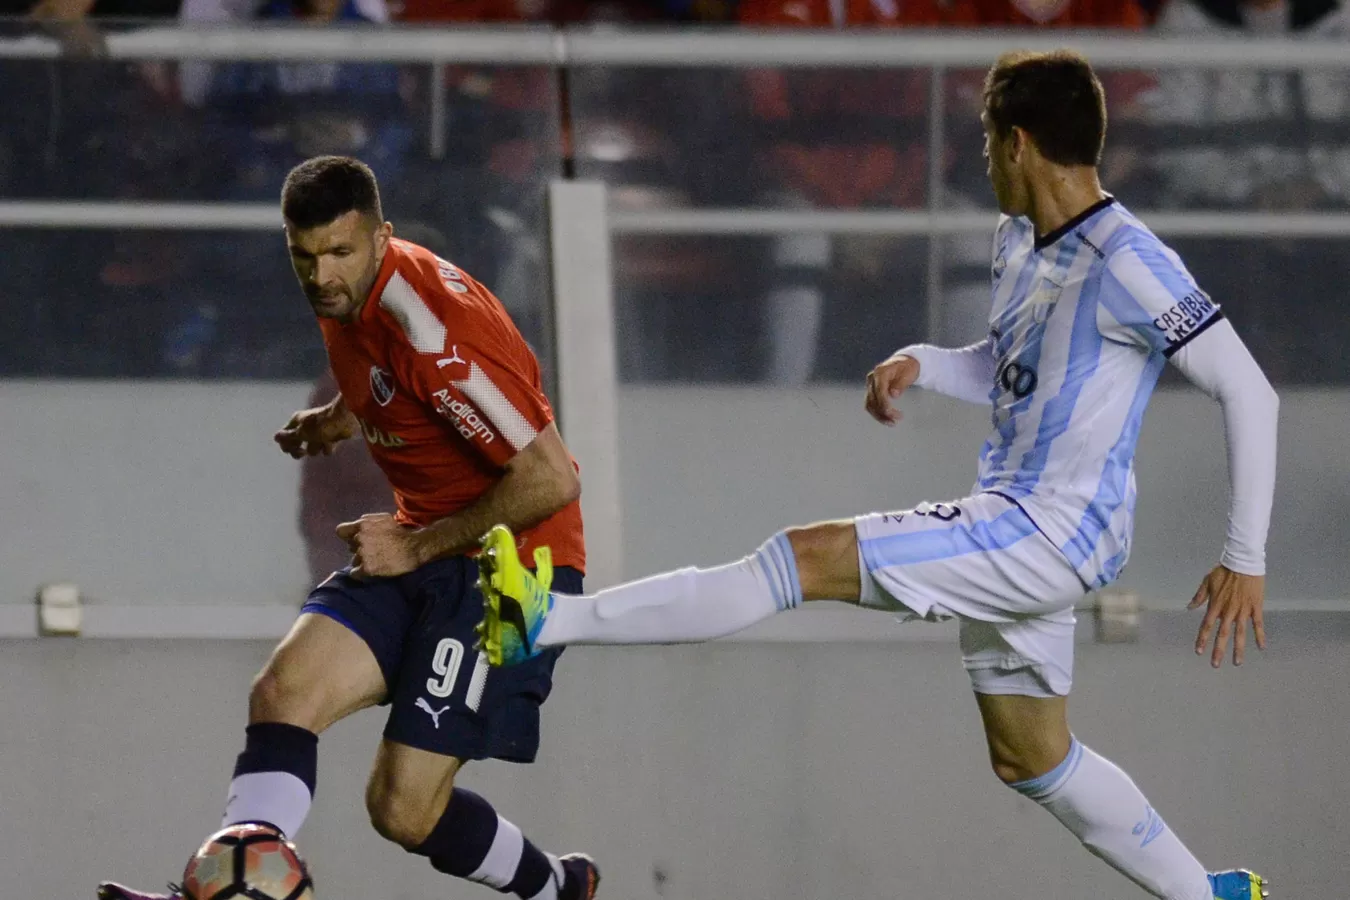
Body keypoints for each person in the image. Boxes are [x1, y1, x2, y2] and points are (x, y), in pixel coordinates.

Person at [478, 51, 1277, 900]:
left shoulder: (1130, 260)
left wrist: (1245, 557)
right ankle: (1206, 895)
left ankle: (546, 619)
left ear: (1017, 143)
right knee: (1031, 756)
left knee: (796, 559)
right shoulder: (1018, 241)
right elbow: (1014, 367)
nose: (977, 157)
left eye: (982, 138)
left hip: (1045, 530)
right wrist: (924, 363)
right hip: (1022, 524)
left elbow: (1249, 391)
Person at [98, 156, 600, 900]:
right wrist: (340, 418)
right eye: (304, 257)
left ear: (381, 236)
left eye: (340, 253)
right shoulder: (347, 298)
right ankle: (215, 891)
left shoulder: (434, 329)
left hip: (511, 571)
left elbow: (551, 478)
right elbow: (393, 384)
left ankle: (555, 887)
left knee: (402, 810)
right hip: (426, 540)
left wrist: (415, 545)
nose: (321, 275)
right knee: (282, 693)